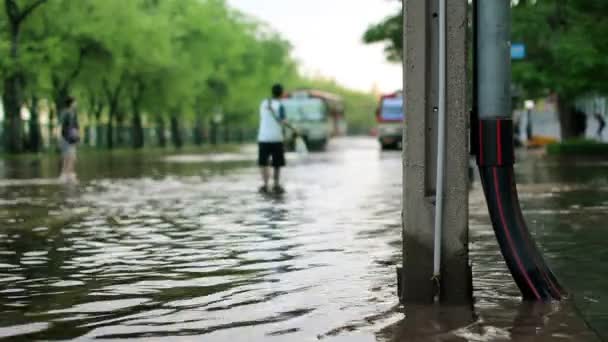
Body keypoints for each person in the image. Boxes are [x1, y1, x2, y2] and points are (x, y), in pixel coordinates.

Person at [257, 84, 296, 194]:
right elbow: (282, 121)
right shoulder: (280, 106)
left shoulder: (264, 103)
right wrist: (293, 128)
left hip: (263, 137)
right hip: (276, 138)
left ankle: (265, 185)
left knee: (263, 162)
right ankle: (276, 185)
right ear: (282, 93)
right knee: (277, 163)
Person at [58, 97, 80, 183]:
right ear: (71, 103)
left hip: (71, 138)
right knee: (70, 156)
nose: (76, 104)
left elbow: (76, 127)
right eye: (75, 102)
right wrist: (59, 137)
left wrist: (77, 136)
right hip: (65, 137)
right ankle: (67, 174)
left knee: (70, 156)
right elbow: (60, 124)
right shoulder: (65, 113)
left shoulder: (73, 113)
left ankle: (67, 174)